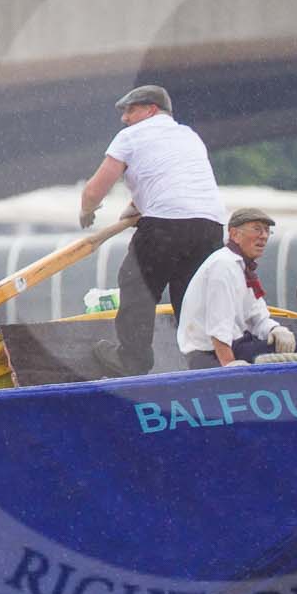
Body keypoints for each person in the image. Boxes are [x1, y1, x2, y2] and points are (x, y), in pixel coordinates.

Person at [79, 84, 226, 376]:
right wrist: (136, 205)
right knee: (191, 297)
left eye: (131, 110)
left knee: (137, 287)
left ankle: (132, 360)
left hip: (165, 225)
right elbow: (168, 176)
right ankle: (204, 363)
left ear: (152, 110)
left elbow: (95, 190)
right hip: (210, 225)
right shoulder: (189, 136)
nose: (125, 118)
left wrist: (87, 211)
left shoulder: (130, 137)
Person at [177, 207, 297, 369]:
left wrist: (275, 329)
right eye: (257, 229)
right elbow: (218, 324)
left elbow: (257, 316)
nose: (264, 236)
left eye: (267, 231)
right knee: (291, 354)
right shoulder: (224, 265)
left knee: (292, 348)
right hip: (209, 355)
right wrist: (229, 364)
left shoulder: (242, 268)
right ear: (234, 234)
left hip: (234, 345)